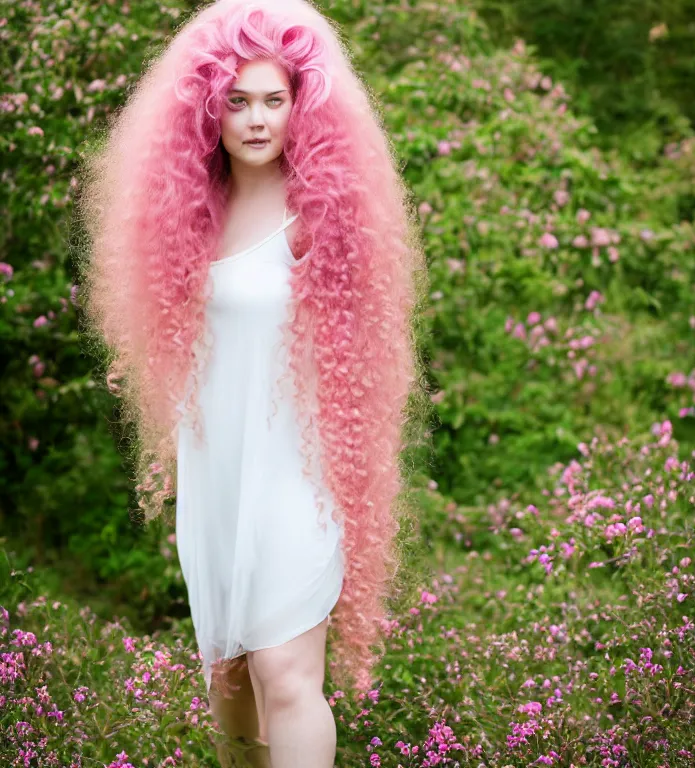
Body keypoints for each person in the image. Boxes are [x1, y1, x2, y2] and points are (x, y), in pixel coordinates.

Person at [74, 1, 429, 766]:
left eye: (275, 99)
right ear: (210, 107)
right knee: (230, 682)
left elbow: (367, 366)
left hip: (300, 474)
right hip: (219, 474)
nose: (258, 119)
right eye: (238, 101)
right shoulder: (182, 218)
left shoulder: (324, 219)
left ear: (301, 106)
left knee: (287, 672)